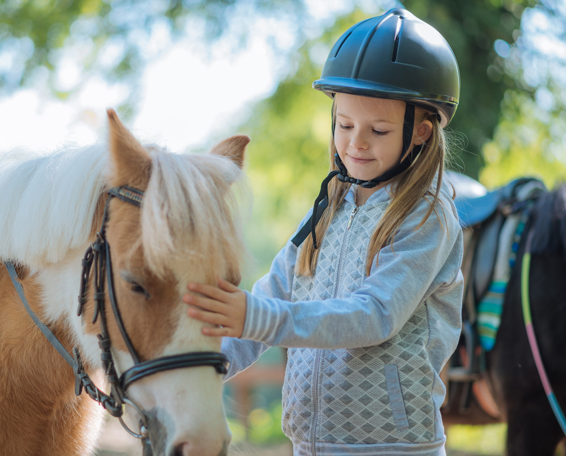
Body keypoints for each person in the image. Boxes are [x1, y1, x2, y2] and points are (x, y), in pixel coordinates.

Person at [183, 7, 463, 456]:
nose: (356, 143)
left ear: (421, 133)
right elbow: (271, 297)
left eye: (379, 129)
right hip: (309, 446)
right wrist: (202, 365)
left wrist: (255, 315)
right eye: (346, 125)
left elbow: (375, 315)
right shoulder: (326, 209)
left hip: (392, 448)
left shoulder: (427, 216)